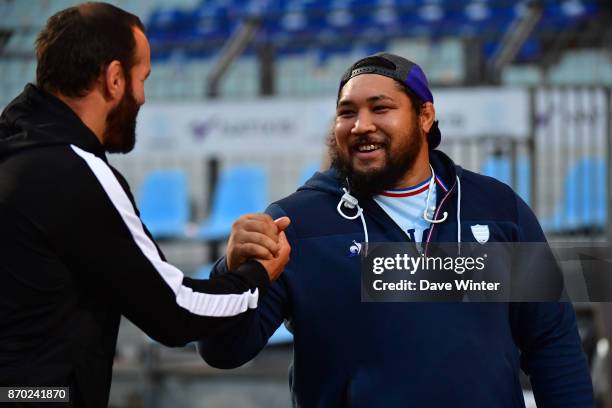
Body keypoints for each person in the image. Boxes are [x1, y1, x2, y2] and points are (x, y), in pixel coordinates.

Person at [198, 53, 594, 406]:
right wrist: (231, 275)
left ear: (425, 117)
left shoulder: (497, 208)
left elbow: (551, 340)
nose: (360, 125)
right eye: (346, 112)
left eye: (380, 108)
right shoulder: (297, 223)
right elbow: (224, 351)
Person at [0, 3, 289, 407]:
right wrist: (256, 278)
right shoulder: (75, 171)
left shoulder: (15, 150)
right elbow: (173, 311)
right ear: (114, 79)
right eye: (142, 79)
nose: (143, 97)